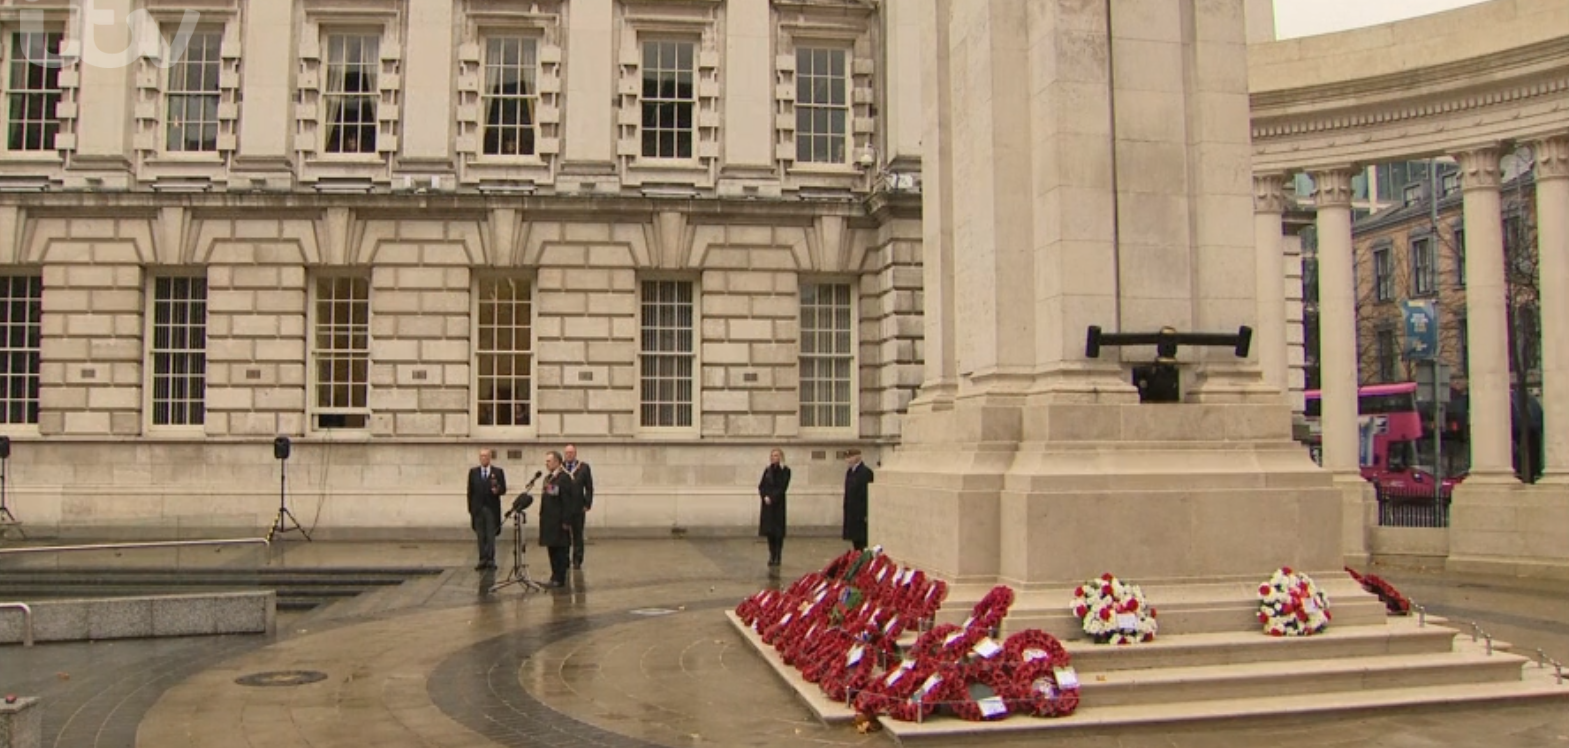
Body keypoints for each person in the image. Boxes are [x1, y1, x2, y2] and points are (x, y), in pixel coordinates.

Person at [538, 450, 581, 587]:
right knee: (552, 549)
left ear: (557, 462)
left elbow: (567, 500)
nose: (546, 463)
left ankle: (560, 577)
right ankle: (554, 575)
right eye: (546, 461)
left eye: (549, 461)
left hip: (559, 521)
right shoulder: (548, 478)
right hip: (549, 521)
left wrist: (566, 520)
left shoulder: (564, 478)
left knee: (560, 551)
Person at [466, 449, 507, 571]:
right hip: (478, 509)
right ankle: (482, 558)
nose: (483, 458)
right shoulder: (473, 472)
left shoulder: (498, 472)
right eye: (481, 456)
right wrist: (471, 509)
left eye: (486, 456)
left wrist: (498, 491)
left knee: (490, 535)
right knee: (480, 535)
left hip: (491, 508)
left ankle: (490, 559)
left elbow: (503, 489)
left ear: (490, 458)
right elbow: (470, 492)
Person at [563, 444, 595, 569]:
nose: (569, 455)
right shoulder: (560, 467)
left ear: (575, 453)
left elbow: (589, 487)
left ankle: (577, 560)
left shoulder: (583, 467)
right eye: (567, 453)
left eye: (571, 452)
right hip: (564, 507)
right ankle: (564, 559)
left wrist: (587, 503)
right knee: (564, 535)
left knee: (578, 534)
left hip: (578, 506)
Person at [758, 448, 791, 567]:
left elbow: (783, 487)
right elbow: (761, 486)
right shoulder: (768, 470)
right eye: (772, 456)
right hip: (767, 505)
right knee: (769, 532)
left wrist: (772, 497)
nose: (774, 458)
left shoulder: (785, 471)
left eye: (776, 456)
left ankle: (778, 555)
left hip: (778, 505)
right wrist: (764, 496)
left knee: (778, 533)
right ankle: (771, 555)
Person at [842, 449, 874, 551]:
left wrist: (866, 514)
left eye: (850, 457)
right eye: (846, 458)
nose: (848, 460)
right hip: (852, 513)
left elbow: (866, 494)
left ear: (857, 457)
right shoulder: (850, 472)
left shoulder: (865, 472)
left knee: (862, 541)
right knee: (855, 541)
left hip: (861, 514)